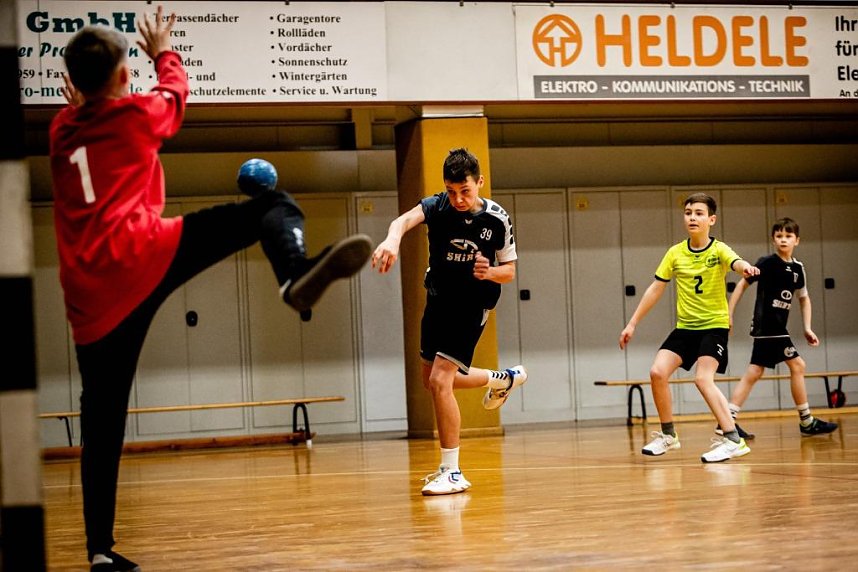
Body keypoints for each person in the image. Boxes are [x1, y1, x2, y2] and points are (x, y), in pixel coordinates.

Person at [49, 8, 371, 571]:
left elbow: (87, 116)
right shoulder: (135, 116)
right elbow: (176, 91)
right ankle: (294, 273)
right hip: (144, 255)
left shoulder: (60, 132)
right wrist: (163, 51)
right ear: (124, 77)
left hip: (89, 299)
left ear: (72, 85)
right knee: (271, 205)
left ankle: (99, 548)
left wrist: (87, 100)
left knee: (102, 422)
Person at [371, 148, 527, 495]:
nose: (457, 199)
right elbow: (403, 221)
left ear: (480, 183)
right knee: (431, 381)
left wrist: (491, 272)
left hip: (471, 304)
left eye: (465, 191)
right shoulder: (437, 205)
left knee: (442, 381)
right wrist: (392, 241)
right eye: (451, 191)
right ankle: (502, 379)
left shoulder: (497, 219)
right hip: (438, 299)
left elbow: (511, 272)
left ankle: (452, 472)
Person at [619, 193, 759, 463]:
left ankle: (733, 439)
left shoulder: (719, 250)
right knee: (657, 372)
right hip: (686, 328)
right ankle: (668, 435)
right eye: (688, 213)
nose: (692, 217)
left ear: (711, 219)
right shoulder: (675, 253)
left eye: (698, 213)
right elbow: (656, 288)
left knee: (702, 379)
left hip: (713, 327)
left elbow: (737, 262)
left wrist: (746, 268)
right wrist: (632, 323)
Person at [724, 217, 837, 438]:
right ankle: (806, 421)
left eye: (788, 236)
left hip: (777, 328)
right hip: (767, 326)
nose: (783, 240)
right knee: (798, 365)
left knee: (754, 372)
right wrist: (728, 313)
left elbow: (804, 298)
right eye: (779, 236)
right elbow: (741, 285)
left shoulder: (798, 268)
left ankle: (726, 420)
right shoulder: (766, 263)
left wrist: (807, 327)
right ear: (773, 239)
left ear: (797, 240)